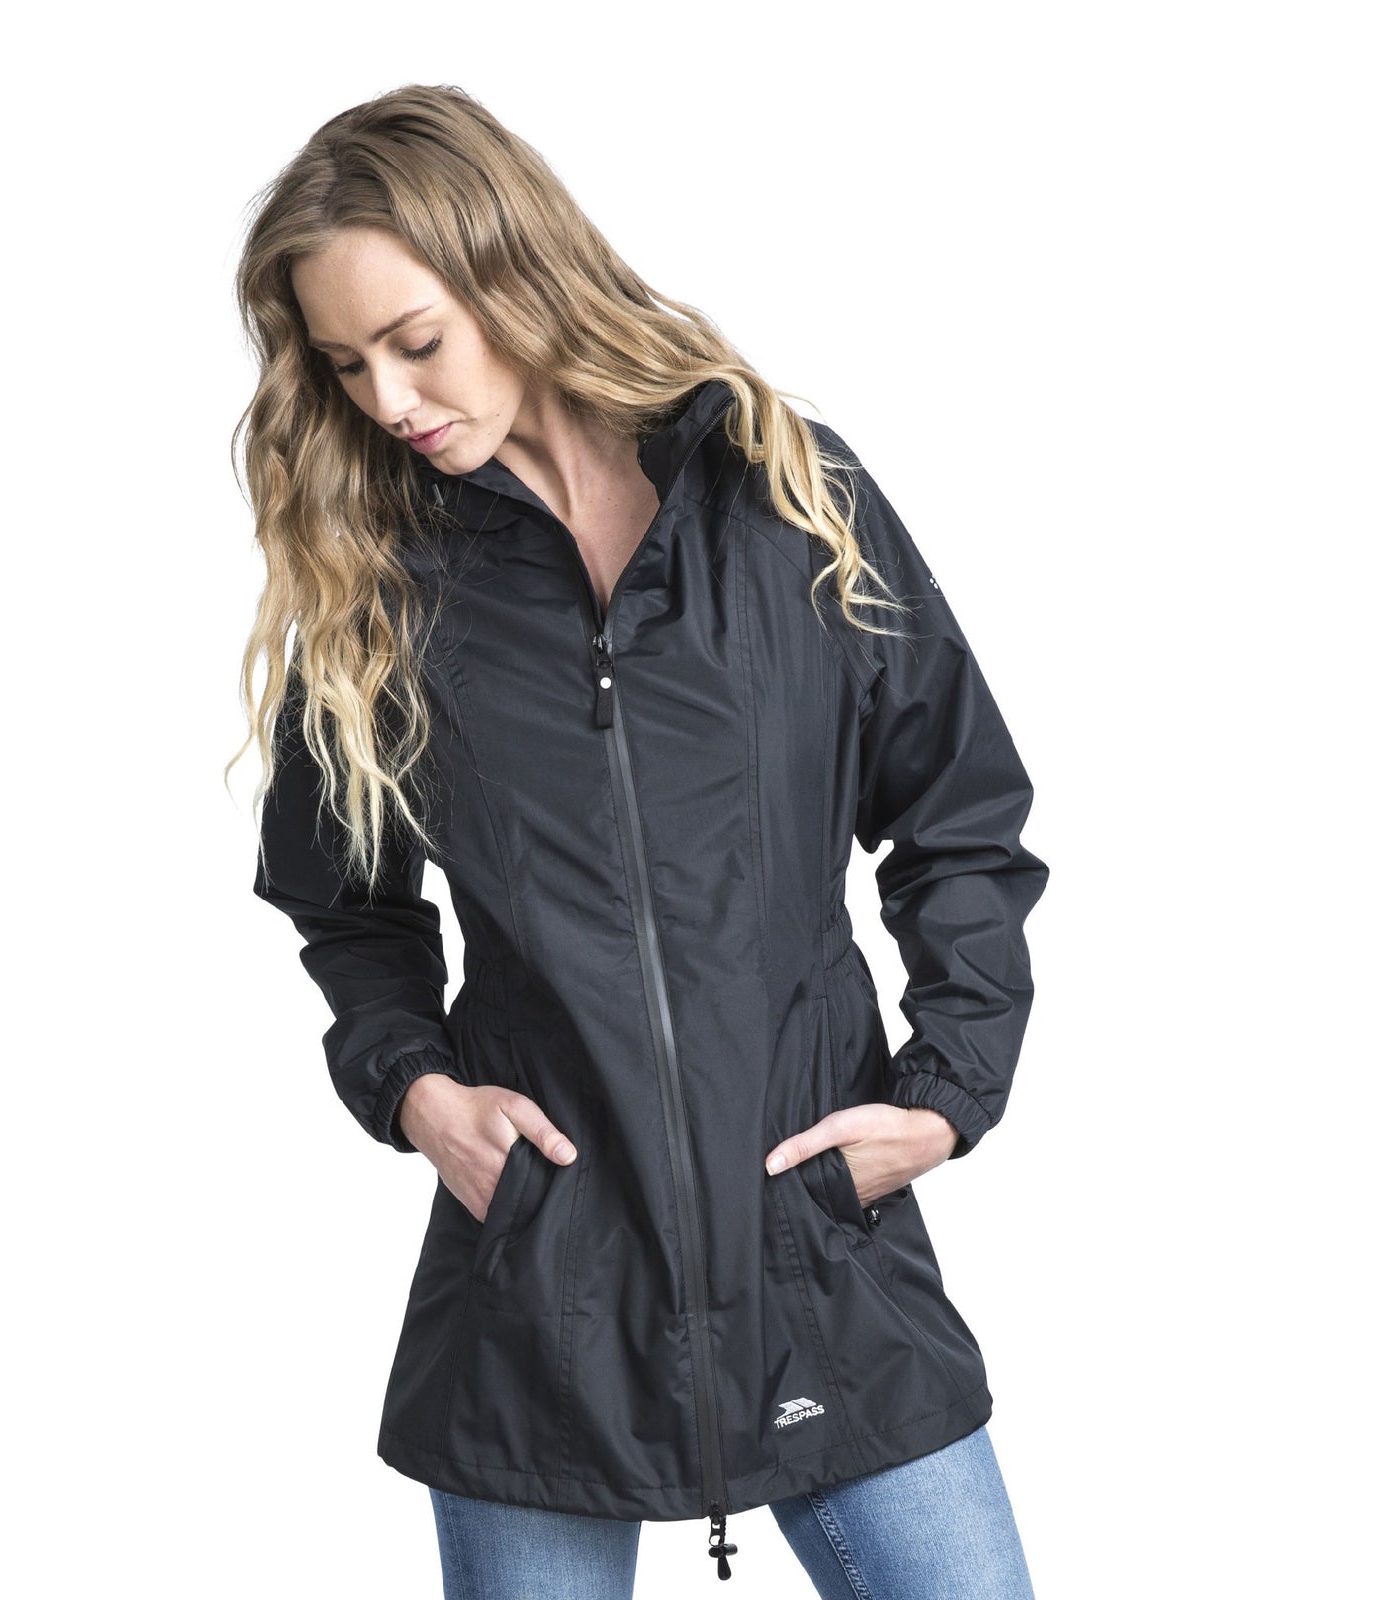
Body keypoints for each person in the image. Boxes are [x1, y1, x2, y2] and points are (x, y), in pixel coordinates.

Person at [232, 83, 1050, 1598]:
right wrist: (416, 1091)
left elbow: (958, 814)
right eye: (345, 365)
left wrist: (948, 1095)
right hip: (545, 1279)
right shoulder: (382, 592)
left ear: (516, 274)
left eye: (415, 340)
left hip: (815, 1252)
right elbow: (345, 904)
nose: (389, 398)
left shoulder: (783, 493)